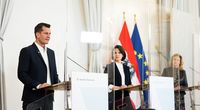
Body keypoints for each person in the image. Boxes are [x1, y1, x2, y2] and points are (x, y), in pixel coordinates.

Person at [17, 22, 60, 110]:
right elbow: (22, 74)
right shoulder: (27, 51)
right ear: (37, 34)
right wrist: (38, 85)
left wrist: (62, 84)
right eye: (46, 33)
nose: (49, 36)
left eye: (50, 34)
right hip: (32, 99)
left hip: (48, 99)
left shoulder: (51, 53)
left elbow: (54, 74)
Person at [104, 45, 133, 110]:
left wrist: (131, 87)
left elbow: (129, 83)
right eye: (115, 53)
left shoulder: (126, 68)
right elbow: (106, 84)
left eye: (119, 53)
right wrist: (119, 88)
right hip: (115, 98)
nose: (117, 54)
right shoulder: (109, 67)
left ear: (123, 54)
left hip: (126, 97)